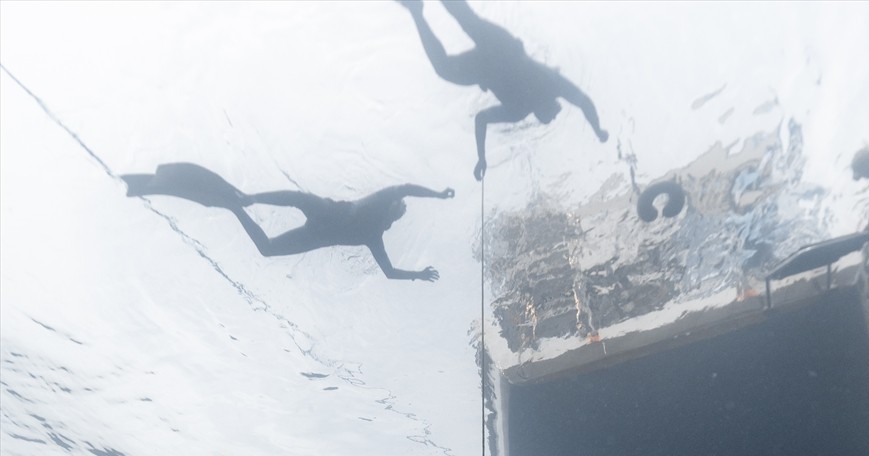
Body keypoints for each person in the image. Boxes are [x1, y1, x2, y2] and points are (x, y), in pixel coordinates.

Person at [122, 162, 455, 281]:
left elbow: (390, 273)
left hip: (319, 232)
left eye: (397, 214)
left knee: (266, 250)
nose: (395, 213)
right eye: (397, 209)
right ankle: (246, 200)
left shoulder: (374, 236)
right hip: (327, 212)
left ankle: (236, 207)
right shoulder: (380, 207)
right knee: (297, 199)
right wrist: (438, 195)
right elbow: (406, 188)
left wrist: (418, 276)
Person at [396, 0, 608, 179]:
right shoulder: (551, 86)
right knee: (466, 19)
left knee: (444, 68)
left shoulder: (518, 111)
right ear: (552, 103)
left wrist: (482, 157)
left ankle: (416, 12)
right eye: (555, 114)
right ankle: (417, 13)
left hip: (485, 68)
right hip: (503, 49)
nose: (552, 118)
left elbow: (481, 118)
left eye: (552, 118)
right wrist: (597, 129)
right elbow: (584, 102)